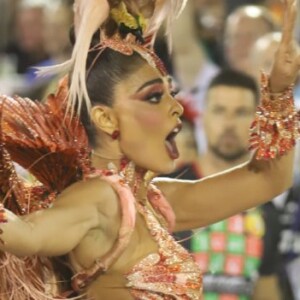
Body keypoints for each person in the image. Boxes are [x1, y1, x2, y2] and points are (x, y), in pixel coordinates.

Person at [0, 0, 299, 299]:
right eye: (154, 97)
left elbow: (268, 179)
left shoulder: (153, 203)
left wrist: (279, 90)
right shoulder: (98, 198)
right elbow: (27, 235)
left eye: (173, 92)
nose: (177, 107)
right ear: (105, 118)